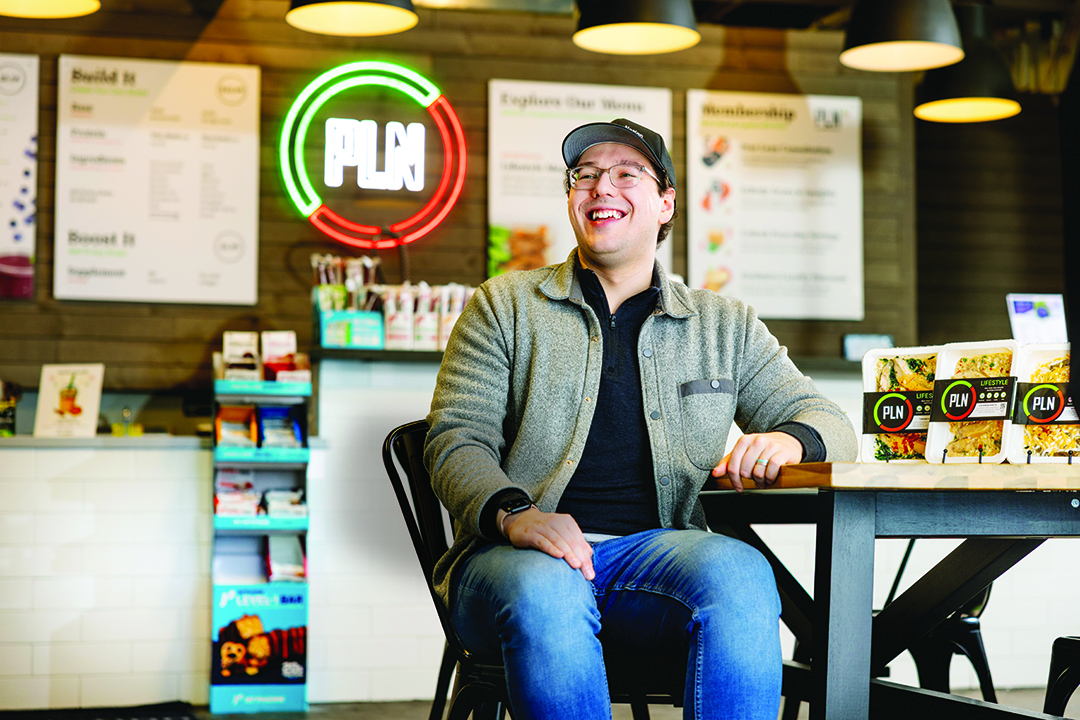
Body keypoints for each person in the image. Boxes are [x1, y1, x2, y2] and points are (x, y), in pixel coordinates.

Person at [424, 117, 858, 720]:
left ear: (665, 204)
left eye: (627, 174)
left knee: (738, 573)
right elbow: (455, 440)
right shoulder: (505, 305)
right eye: (586, 175)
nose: (602, 187)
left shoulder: (722, 323)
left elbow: (832, 422)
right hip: (510, 567)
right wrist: (517, 516)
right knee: (548, 586)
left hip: (651, 568)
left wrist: (791, 438)